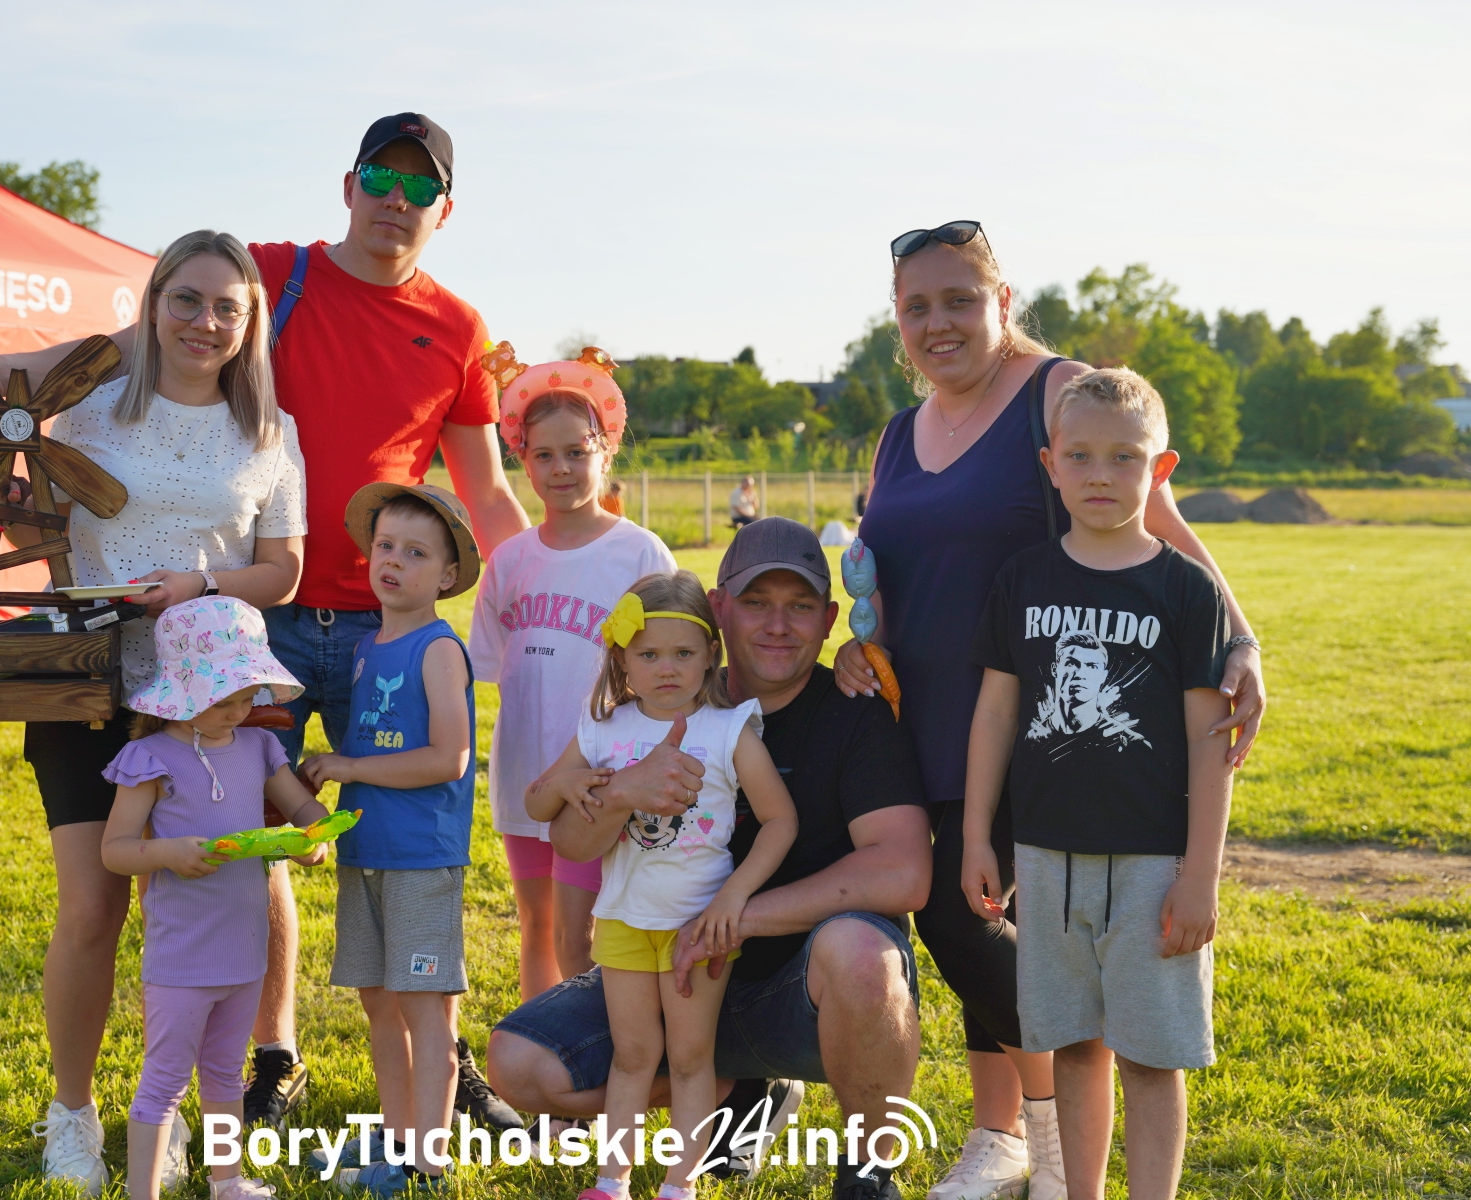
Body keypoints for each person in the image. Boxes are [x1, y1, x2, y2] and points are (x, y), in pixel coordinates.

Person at [0, 113, 529, 1136]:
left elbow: (486, 490)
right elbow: (110, 351)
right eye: (382, 176)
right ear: (349, 183)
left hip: (368, 628)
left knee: (395, 848)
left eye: (421, 189)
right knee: (219, 856)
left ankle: (434, 1055)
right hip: (229, 640)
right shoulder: (270, 277)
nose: (397, 200)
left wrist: (574, 579)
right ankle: (252, 1061)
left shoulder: (454, 331)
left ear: (445, 209)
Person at [837, 222, 1265, 1200]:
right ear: (896, 319)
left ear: (1002, 300)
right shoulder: (897, 434)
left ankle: (1059, 1133)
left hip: (1064, 725)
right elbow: (885, 573)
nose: (937, 323)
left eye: (958, 300)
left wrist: (1240, 640)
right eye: (916, 306)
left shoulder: (1055, 390)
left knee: (992, 924)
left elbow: (1159, 521)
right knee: (965, 920)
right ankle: (1008, 1135)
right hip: (932, 719)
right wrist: (862, 648)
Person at [0, 230, 303, 1193]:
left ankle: (167, 1109)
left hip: (209, 706)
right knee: (94, 903)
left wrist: (200, 581)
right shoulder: (90, 401)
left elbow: (283, 572)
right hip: (89, 677)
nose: (204, 322)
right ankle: (74, 1114)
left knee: (212, 905)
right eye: (187, 300)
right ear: (153, 302)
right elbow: (4, 418)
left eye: (226, 307)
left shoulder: (268, 434)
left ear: (249, 322)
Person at [488, 518, 934, 1200]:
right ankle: (730, 1096)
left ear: (830, 618)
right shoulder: (658, 697)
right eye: (757, 603)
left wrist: (741, 917)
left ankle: (868, 1173)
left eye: (801, 605)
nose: (778, 625)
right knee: (518, 1065)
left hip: (792, 985)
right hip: (659, 962)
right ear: (719, 610)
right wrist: (623, 794)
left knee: (865, 960)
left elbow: (902, 872)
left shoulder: (853, 710)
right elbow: (572, 843)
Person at [961, 368, 1235, 1200]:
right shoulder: (1024, 579)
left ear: (1161, 469)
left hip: (1153, 864)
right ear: (1050, 464)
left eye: (1125, 458)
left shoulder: (1185, 589)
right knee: (1076, 1044)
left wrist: (1201, 874)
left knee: (1153, 1055)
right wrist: (979, 834)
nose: (1101, 475)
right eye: (1080, 456)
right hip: (1044, 856)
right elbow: (997, 715)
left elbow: (1207, 739)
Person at [525, 571, 798, 1200]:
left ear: (710, 657)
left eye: (683, 654)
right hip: (622, 920)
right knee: (632, 1056)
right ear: (623, 659)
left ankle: (681, 1183)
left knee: (691, 1057)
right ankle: (612, 1180)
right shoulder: (603, 730)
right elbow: (537, 803)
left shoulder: (728, 731)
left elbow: (781, 821)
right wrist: (568, 786)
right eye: (649, 654)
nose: (667, 668)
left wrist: (735, 897)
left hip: (698, 927)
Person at [100, 597, 332, 1199]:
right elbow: (116, 850)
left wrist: (313, 835)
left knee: (227, 1071)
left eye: (247, 695)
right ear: (181, 693)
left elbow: (300, 807)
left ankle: (227, 1181)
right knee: (165, 1080)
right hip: (182, 955)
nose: (240, 710)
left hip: (243, 946)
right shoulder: (150, 757)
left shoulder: (258, 747)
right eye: (224, 699)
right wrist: (167, 854)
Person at [469, 344, 676, 999]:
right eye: (543, 454)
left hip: (599, 779)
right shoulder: (508, 561)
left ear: (606, 452)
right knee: (535, 928)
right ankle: (549, 1076)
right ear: (522, 458)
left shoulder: (639, 553)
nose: (560, 468)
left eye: (576, 452)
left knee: (580, 936)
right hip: (525, 769)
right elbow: (498, 669)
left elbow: (669, 675)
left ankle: (591, 1074)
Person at [296, 483, 482, 1196]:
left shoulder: (438, 650)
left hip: (420, 859)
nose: (394, 562)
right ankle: (398, 1141)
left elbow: (448, 758)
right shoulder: (369, 645)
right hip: (365, 851)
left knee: (423, 1007)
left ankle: (428, 1166)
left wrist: (346, 764)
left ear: (446, 576)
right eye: (385, 547)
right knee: (378, 1001)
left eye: (416, 552)